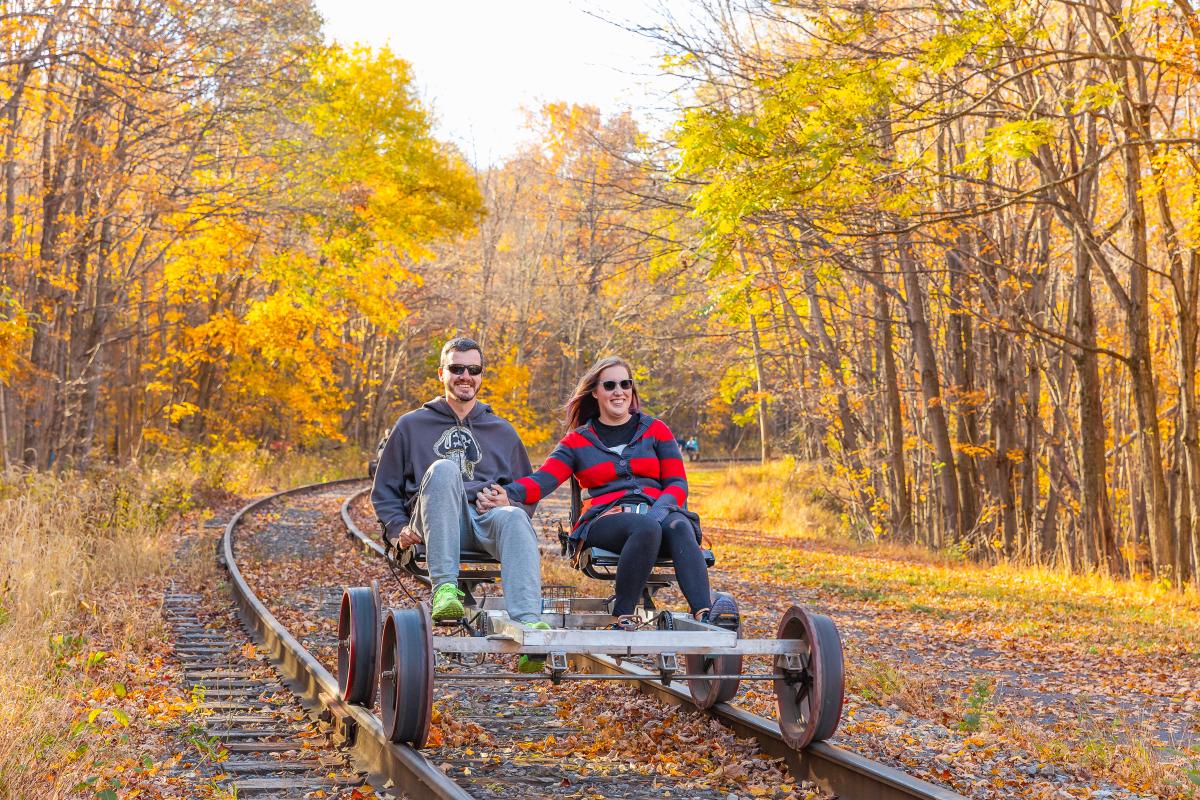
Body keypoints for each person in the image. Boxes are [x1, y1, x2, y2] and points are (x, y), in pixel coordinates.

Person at [479, 356, 733, 630]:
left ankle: (704, 615)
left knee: (680, 525)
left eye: (625, 384)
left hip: (658, 514)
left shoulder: (656, 430)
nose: (618, 391)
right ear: (596, 392)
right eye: (610, 385)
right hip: (606, 520)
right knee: (645, 527)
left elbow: (677, 485)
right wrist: (509, 494)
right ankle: (623, 616)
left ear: (632, 390)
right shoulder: (578, 441)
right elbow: (543, 479)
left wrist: (658, 512)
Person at [371, 337, 549, 669]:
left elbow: (526, 489)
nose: (465, 376)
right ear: (442, 373)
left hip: (482, 524)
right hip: (432, 522)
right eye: (456, 368)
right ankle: (445, 593)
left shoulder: (502, 430)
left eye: (473, 369)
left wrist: (508, 499)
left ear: (481, 376)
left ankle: (529, 629)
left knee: (512, 517)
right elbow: (384, 490)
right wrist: (398, 529)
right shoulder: (411, 425)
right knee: (443, 470)